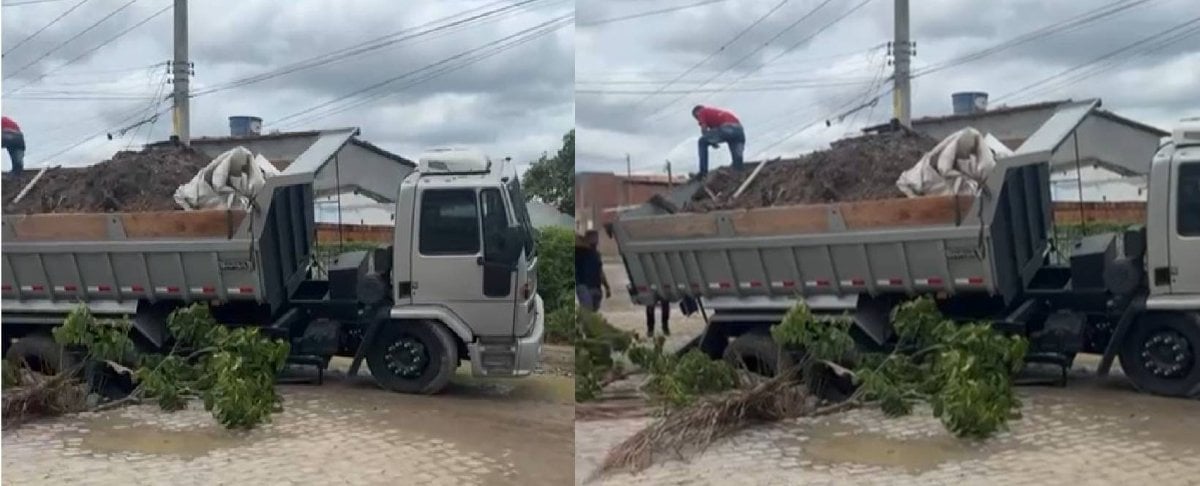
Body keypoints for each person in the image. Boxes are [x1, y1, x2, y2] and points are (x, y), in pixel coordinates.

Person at [692, 105, 745, 178]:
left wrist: (710, 141)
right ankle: (738, 172)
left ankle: (703, 173)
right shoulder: (715, 114)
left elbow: (704, 129)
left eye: (697, 118)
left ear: (697, 113)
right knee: (737, 163)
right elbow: (714, 134)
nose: (698, 121)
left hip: (728, 128)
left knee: (702, 142)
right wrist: (712, 141)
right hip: (739, 131)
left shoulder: (702, 112)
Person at [574, 230, 610, 312]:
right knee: (587, 311)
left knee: (593, 311)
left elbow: (600, 272)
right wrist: (583, 240)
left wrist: (607, 287)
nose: (595, 240)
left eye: (596, 237)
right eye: (593, 237)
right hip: (583, 286)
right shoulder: (579, 251)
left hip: (596, 287)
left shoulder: (597, 254)